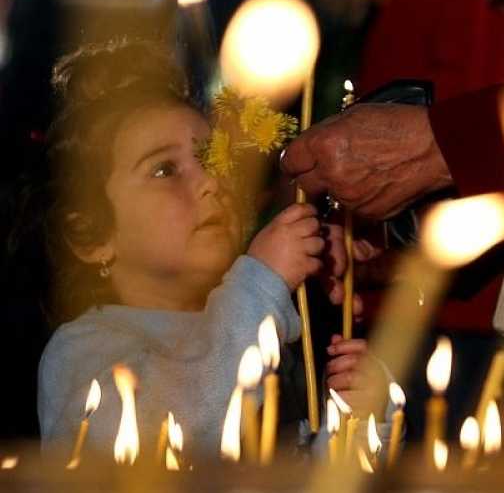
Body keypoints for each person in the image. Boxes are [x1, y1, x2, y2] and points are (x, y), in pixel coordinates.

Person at [36, 39, 385, 461]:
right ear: (91, 237)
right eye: (164, 169)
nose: (210, 184)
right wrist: (260, 283)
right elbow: (170, 434)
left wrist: (361, 421)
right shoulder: (81, 351)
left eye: (212, 160)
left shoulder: (263, 329)